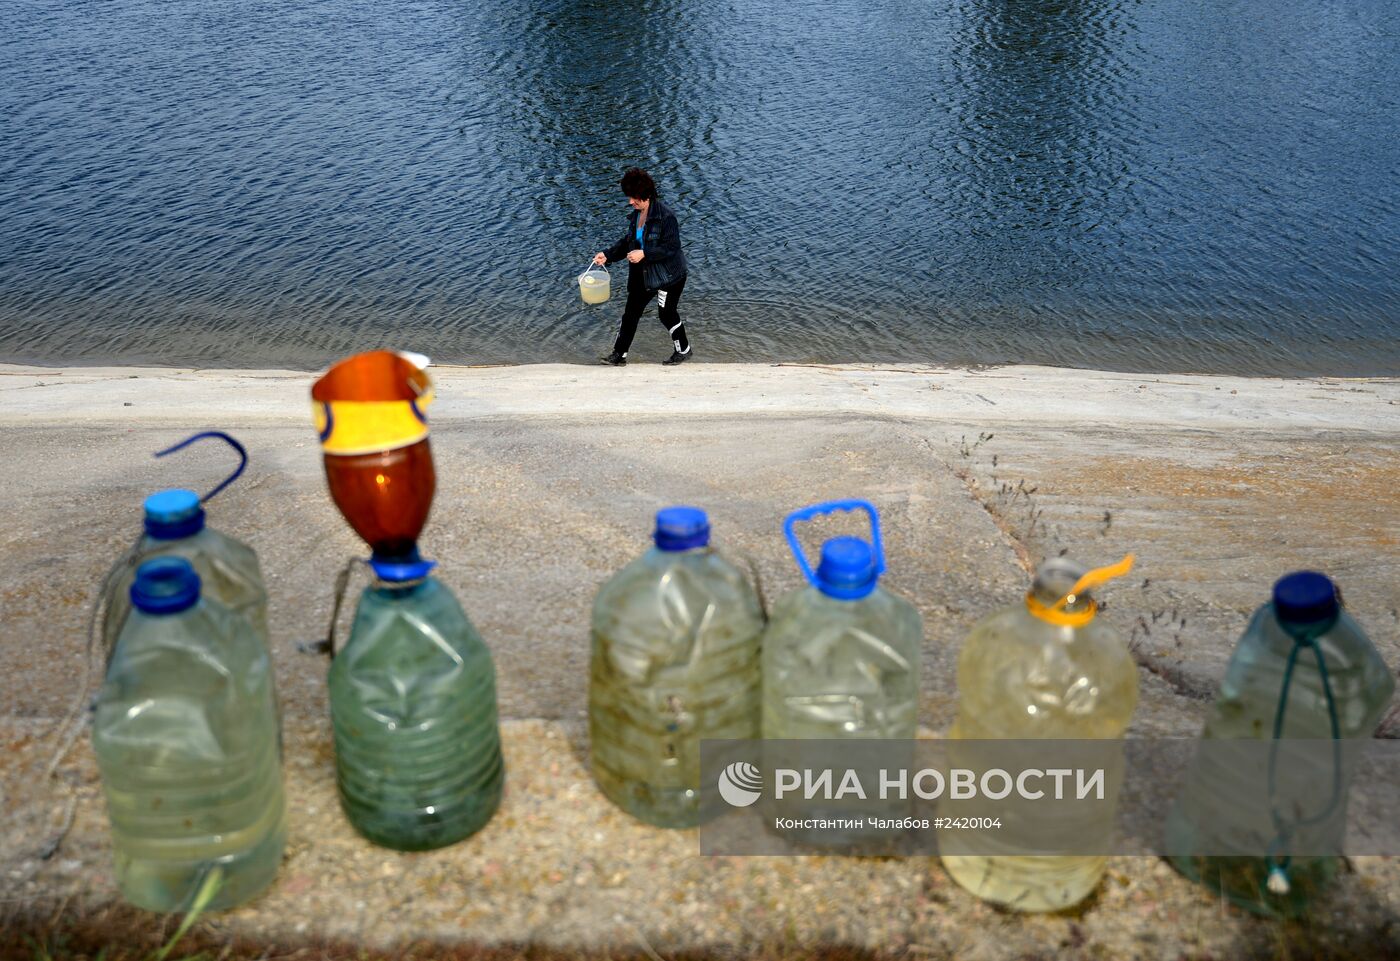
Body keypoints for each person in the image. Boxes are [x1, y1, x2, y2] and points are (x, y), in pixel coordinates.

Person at [593, 168, 692, 366]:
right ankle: (619, 355)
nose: (630, 201)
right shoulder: (636, 216)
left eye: (633, 197)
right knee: (630, 313)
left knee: (666, 314)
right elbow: (628, 242)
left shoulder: (666, 217)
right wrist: (608, 254)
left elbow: (672, 247)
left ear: (645, 195)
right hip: (643, 273)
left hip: (668, 276)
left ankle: (683, 350)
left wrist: (645, 253)